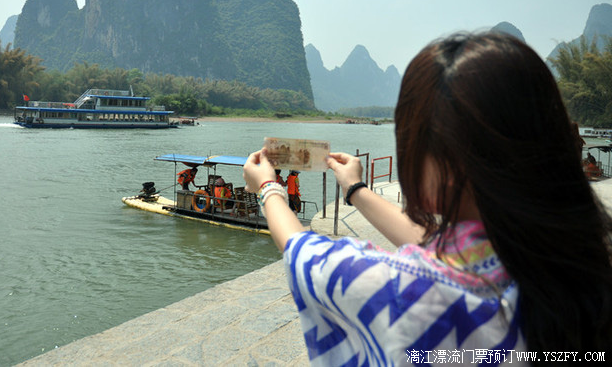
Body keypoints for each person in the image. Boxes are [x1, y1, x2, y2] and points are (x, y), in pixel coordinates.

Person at [243, 32, 612, 365]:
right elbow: (440, 250)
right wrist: (356, 189)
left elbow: (302, 254)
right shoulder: (573, 260)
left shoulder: (406, 294)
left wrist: (267, 187)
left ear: (449, 160)